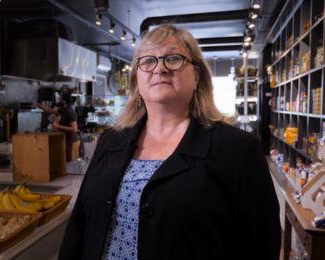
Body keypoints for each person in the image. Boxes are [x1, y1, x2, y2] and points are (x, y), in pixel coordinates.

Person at [59, 24, 281, 260]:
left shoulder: (238, 149)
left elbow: (261, 243)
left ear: (197, 75)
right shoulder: (111, 140)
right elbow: (79, 225)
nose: (160, 68)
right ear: (137, 78)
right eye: (148, 61)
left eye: (173, 59)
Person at [38, 91, 79, 161]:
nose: (59, 100)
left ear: (64, 101)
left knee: (69, 163)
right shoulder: (64, 109)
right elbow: (51, 111)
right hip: (66, 140)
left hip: (70, 141)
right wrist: (40, 106)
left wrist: (58, 126)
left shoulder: (69, 111)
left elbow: (74, 129)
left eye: (60, 99)